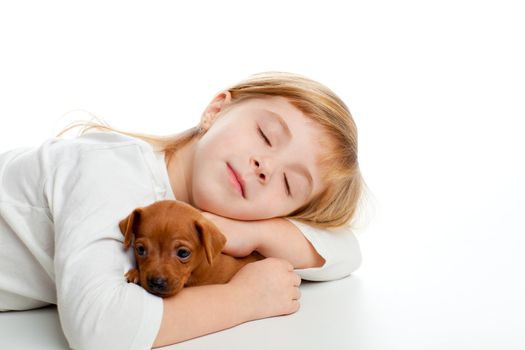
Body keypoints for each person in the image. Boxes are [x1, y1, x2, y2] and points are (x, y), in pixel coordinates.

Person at [0, 71, 364, 349]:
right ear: (215, 110)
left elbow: (347, 253)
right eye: (266, 135)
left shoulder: (185, 224)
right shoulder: (112, 172)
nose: (265, 166)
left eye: (289, 185)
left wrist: (256, 232)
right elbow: (99, 330)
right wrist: (243, 299)